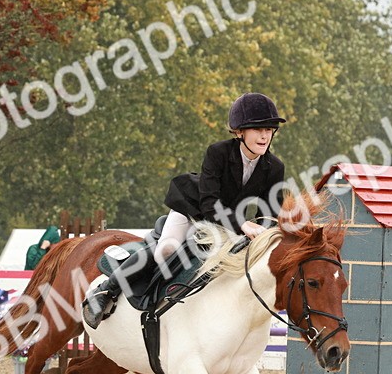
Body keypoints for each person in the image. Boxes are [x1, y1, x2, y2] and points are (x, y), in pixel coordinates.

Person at [83, 92, 287, 328]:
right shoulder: (218, 153)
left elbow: (271, 213)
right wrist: (242, 224)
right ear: (240, 131)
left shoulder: (274, 167)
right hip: (194, 209)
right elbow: (209, 204)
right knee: (166, 251)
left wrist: (269, 232)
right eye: (258, 129)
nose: (265, 135)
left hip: (226, 223)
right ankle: (106, 291)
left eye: (269, 129)